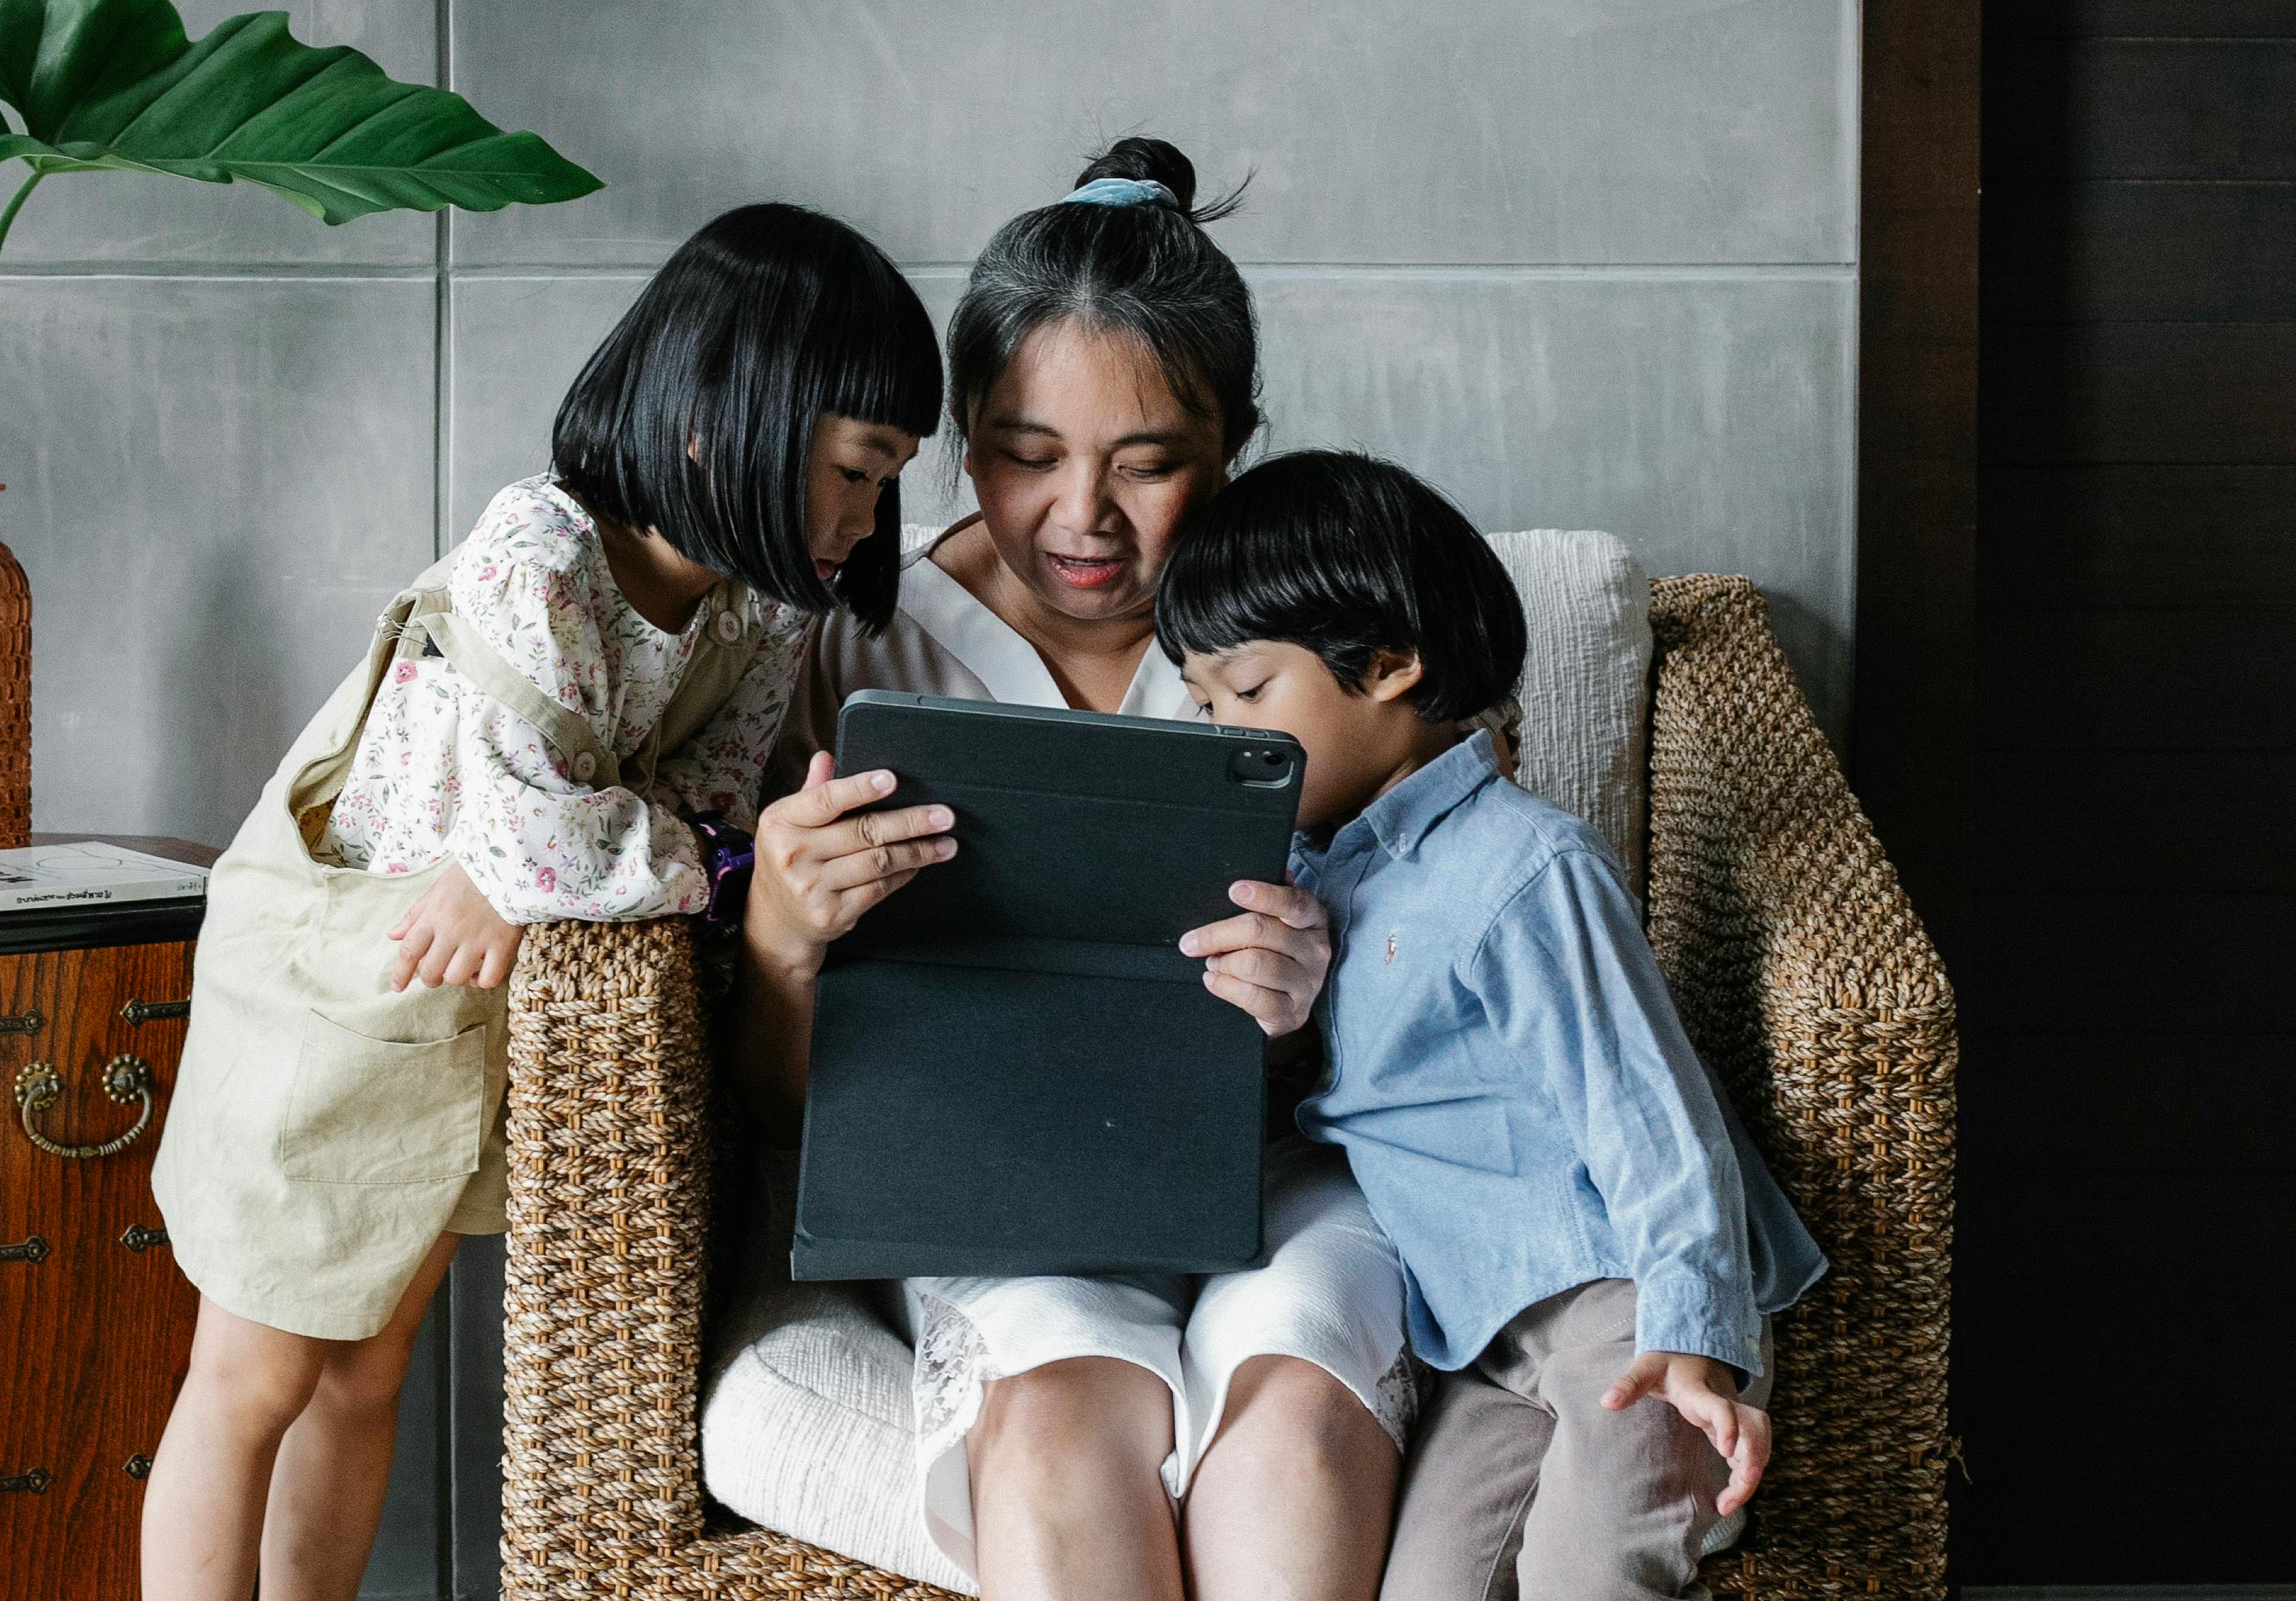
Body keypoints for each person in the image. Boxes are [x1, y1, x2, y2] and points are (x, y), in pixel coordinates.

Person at [142, 204, 942, 1601]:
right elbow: (582, 842)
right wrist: (581, 856)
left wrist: (576, 855)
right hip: (345, 977)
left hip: (462, 1022)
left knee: (367, 1371)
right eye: (852, 470)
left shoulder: (758, 610)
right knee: (255, 1368)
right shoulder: (541, 546)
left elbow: (697, 810)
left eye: (884, 482)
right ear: (724, 420)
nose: (866, 518)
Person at [724, 141, 1434, 1601]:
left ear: (1236, 442)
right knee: (1055, 1433)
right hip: (996, 1187)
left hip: (1291, 1176)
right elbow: (780, 1108)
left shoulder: (1334, 633)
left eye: (1150, 462)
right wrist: (784, 940)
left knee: (1292, 1434)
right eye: (1025, 453)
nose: (1080, 519)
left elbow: (1479, 986)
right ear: (957, 436)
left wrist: (1317, 1004)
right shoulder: (860, 639)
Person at [1154, 449, 1828, 1601]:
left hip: (1622, 1308)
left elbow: (1650, 1116)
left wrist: (1695, 1336)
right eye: (1205, 700)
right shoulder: (1316, 878)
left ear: (1391, 667)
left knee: (1593, 1569)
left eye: (1249, 692)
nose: (1227, 732)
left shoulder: (1523, 866)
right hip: (1481, 1338)